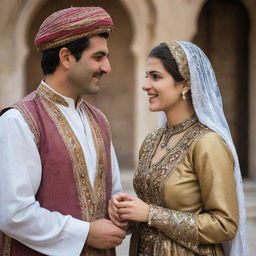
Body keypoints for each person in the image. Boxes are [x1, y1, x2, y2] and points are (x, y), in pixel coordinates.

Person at [0, 6, 126, 256]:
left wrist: (122, 212)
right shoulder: (20, 120)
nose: (107, 67)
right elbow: (13, 213)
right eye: (98, 57)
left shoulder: (98, 120)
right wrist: (86, 233)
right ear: (66, 57)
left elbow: (114, 194)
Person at [109, 41, 248, 255]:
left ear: (184, 84)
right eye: (147, 76)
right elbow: (149, 210)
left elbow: (225, 225)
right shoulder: (152, 141)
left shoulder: (207, 143)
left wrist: (150, 214)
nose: (145, 85)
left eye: (155, 76)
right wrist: (127, 214)